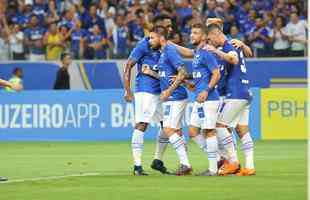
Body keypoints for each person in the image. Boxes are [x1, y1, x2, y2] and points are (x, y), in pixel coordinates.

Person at [123, 15, 175, 176]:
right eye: (167, 26)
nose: (170, 29)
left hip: (160, 92)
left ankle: (157, 160)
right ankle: (137, 166)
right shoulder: (144, 45)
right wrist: (127, 89)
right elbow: (129, 65)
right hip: (145, 90)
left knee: (167, 126)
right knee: (142, 124)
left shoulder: (166, 47)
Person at [206, 24, 255, 176]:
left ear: (216, 34)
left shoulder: (227, 47)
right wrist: (244, 44)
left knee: (220, 126)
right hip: (246, 91)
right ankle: (250, 166)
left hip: (235, 93)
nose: (209, 42)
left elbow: (233, 59)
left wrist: (214, 50)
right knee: (242, 130)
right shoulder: (235, 44)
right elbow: (250, 54)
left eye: (210, 39)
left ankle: (233, 162)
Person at [149, 26, 192, 175]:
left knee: (168, 129)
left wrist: (168, 91)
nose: (150, 41)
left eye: (152, 38)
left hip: (175, 97)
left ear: (161, 38)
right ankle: (183, 163)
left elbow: (182, 72)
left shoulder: (170, 51)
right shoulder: (162, 53)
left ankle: (185, 164)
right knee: (175, 131)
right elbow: (168, 75)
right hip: (171, 98)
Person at [187, 23, 221, 176]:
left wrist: (207, 90)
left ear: (203, 36)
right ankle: (218, 158)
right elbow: (201, 77)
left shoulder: (207, 53)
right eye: (191, 33)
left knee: (209, 131)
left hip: (209, 99)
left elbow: (216, 74)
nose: (191, 35)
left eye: (195, 33)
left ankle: (213, 169)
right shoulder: (197, 53)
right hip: (199, 99)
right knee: (193, 131)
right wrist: (188, 83)